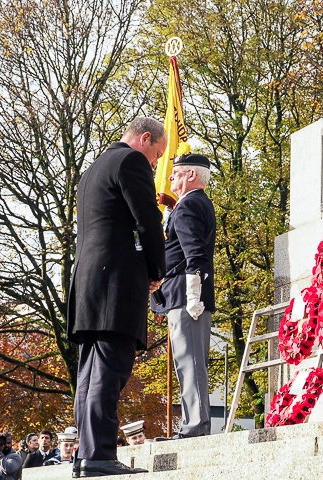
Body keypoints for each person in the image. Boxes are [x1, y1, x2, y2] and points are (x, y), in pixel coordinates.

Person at [67, 117, 167, 477]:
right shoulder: (131, 161)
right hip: (116, 284)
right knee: (109, 372)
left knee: (90, 373)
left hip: (88, 285)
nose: (156, 164)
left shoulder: (92, 169)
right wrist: (158, 270)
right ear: (144, 139)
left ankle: (86, 456)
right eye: (157, 154)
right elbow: (148, 221)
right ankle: (99, 457)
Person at [151, 153, 216, 440]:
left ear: (191, 175)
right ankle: (193, 423)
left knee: (189, 362)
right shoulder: (192, 204)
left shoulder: (189, 206)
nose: (170, 177)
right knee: (186, 361)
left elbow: (195, 254)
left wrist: (193, 296)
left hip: (186, 296)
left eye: (175, 173)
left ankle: (195, 426)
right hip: (181, 294)